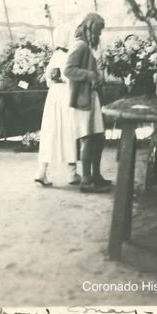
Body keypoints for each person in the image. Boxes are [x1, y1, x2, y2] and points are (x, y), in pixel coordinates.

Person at [64, 13, 112, 193]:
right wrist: (90, 75)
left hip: (92, 98)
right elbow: (68, 70)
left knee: (98, 137)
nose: (99, 35)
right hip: (84, 100)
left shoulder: (87, 46)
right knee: (88, 139)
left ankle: (96, 176)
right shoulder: (80, 45)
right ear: (90, 28)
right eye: (98, 30)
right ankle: (86, 180)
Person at [34, 27, 81, 187]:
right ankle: (72, 174)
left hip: (53, 97)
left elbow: (48, 80)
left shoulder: (55, 56)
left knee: (50, 132)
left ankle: (41, 172)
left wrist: (56, 80)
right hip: (66, 96)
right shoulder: (71, 55)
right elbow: (72, 78)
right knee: (69, 131)